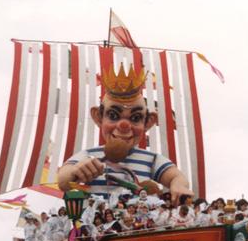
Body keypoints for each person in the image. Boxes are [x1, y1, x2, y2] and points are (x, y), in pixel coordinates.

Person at [57, 63, 193, 205]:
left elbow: (177, 176)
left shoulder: (151, 159)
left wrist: (178, 185)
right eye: (113, 115)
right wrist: (75, 171)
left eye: (135, 118)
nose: (124, 126)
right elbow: (62, 181)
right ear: (98, 117)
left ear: (148, 122)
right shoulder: (88, 156)